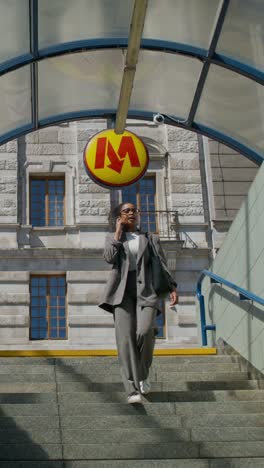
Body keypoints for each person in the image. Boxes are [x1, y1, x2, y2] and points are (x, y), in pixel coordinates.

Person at [99, 202, 178, 404]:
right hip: (121, 293)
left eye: (135, 210)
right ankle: (132, 390)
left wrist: (172, 288)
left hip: (147, 291)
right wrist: (117, 233)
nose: (132, 213)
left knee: (145, 332)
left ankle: (142, 375)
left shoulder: (150, 238)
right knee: (125, 340)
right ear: (119, 216)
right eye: (127, 211)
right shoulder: (112, 237)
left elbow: (162, 263)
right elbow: (109, 258)